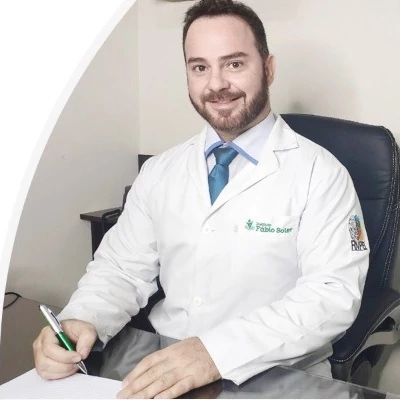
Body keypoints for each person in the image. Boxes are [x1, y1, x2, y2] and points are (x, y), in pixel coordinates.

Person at [33, 0, 370, 398]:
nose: (216, 84)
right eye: (199, 67)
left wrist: (215, 353)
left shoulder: (321, 175)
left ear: (269, 68)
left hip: (280, 378)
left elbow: (331, 295)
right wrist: (81, 320)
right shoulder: (160, 171)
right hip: (164, 368)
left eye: (234, 63)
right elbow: (121, 270)